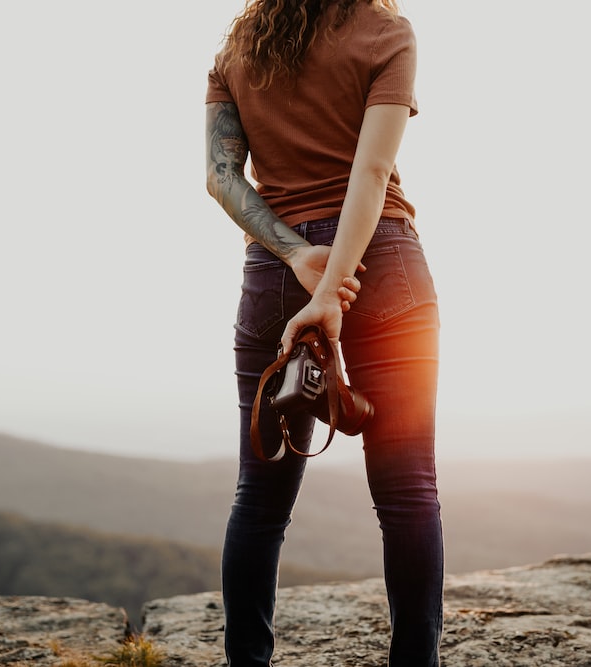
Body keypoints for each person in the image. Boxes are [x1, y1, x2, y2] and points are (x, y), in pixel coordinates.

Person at [205, 1, 443, 665]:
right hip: (383, 268)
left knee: (260, 498)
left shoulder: (239, 50)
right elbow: (369, 172)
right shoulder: (385, 32)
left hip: (276, 280)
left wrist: (297, 258)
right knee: (408, 493)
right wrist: (337, 284)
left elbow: (221, 177)